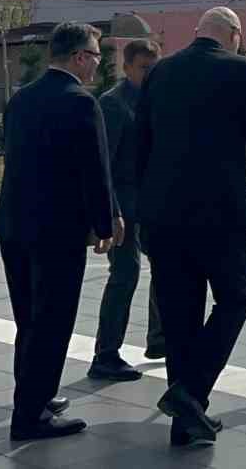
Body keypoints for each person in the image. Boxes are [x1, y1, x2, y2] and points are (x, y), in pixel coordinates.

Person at [136, 7, 246, 448]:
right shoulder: (243, 72)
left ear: (199, 32)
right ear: (234, 35)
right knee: (238, 296)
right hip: (219, 216)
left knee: (180, 316)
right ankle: (189, 393)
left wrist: (139, 208)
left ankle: (187, 421)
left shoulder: (160, 73)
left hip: (163, 217)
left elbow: (140, 142)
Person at [0, 21, 123, 441]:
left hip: (14, 226)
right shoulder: (81, 102)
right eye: (97, 56)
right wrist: (106, 222)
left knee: (28, 321)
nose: (99, 65)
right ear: (81, 57)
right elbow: (94, 171)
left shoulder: (21, 99)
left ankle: (35, 396)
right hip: (57, 232)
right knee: (52, 323)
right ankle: (30, 417)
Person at [88, 39, 164, 382]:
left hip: (150, 204)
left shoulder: (153, 101)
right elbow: (103, 163)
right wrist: (110, 212)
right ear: (127, 67)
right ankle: (105, 354)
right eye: (144, 68)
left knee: (166, 268)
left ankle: (159, 340)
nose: (150, 74)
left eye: (154, 67)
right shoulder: (113, 105)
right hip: (123, 206)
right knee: (124, 275)